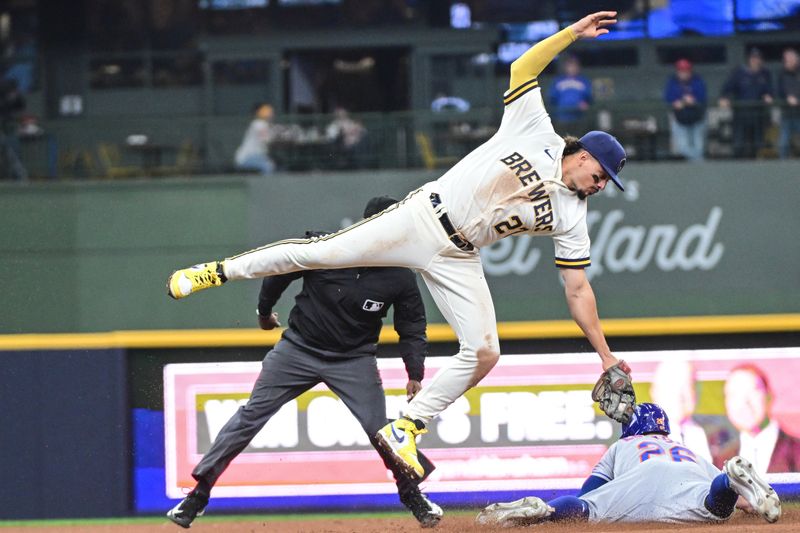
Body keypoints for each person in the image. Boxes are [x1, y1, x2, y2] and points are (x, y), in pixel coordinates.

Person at [167, 11, 630, 483]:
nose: (600, 186)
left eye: (605, 184)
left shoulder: (574, 216)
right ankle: (217, 271)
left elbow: (578, 289)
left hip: (460, 256)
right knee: (319, 254)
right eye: (600, 176)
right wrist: (571, 34)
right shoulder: (536, 132)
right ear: (584, 155)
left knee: (485, 351)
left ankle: (407, 426)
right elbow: (523, 70)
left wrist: (605, 354)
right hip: (422, 217)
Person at [166, 196, 443, 529]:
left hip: (353, 360)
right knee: (250, 416)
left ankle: (413, 497)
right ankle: (198, 495)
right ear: (369, 226)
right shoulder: (326, 249)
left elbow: (411, 326)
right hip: (297, 350)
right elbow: (279, 271)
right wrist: (264, 312)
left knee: (382, 432)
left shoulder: (399, 276)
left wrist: (415, 372)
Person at [476, 403, 782, 526]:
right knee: (715, 507)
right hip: (688, 477)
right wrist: (743, 500)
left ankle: (546, 509)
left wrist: (590, 504)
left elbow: (588, 493)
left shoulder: (622, 445)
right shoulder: (682, 448)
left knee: (587, 509)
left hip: (640, 478)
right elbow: (745, 504)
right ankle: (728, 480)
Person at [721, 364, 800, 474]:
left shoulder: (797, 452)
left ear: (768, 397)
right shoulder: (720, 461)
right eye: (734, 395)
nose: (743, 403)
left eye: (752, 392)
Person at [650, 358, 712, 461]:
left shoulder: (705, 433)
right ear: (654, 392)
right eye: (671, 386)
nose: (679, 395)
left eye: (687, 386)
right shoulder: (640, 438)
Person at [719, 47, 773, 159]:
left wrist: (768, 95)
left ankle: (758, 167)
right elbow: (727, 88)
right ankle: (737, 167)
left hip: (758, 113)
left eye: (758, 58)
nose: (755, 61)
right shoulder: (739, 73)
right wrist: (725, 98)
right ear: (749, 59)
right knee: (739, 143)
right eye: (753, 58)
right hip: (741, 113)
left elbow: (769, 90)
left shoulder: (765, 73)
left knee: (758, 143)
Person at [664, 58, 707, 161]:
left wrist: (693, 101)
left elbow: (702, 97)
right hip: (680, 119)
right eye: (681, 70)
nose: (683, 73)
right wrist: (678, 102)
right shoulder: (673, 82)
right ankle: (691, 170)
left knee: (698, 148)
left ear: (690, 71)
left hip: (697, 118)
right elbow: (668, 97)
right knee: (683, 148)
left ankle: (699, 170)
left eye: (686, 70)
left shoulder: (697, 81)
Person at [548, 54, 593, 130]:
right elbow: (552, 98)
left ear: (578, 67)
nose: (572, 68)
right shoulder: (558, 81)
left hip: (579, 118)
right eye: (570, 65)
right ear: (566, 67)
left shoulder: (584, 81)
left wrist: (585, 103)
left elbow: (589, 98)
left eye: (574, 65)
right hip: (562, 117)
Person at [233, 102, 276, 174]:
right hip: (245, 158)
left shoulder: (265, 125)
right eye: (268, 111)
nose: (271, 114)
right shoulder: (258, 123)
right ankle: (264, 185)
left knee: (273, 164)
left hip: (257, 156)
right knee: (268, 166)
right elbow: (266, 139)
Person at [777, 47, 800, 158]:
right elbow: (779, 91)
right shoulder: (782, 74)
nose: (790, 61)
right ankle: (782, 162)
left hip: (799, 113)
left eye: (792, 58)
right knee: (784, 141)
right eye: (787, 59)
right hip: (787, 113)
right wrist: (788, 97)